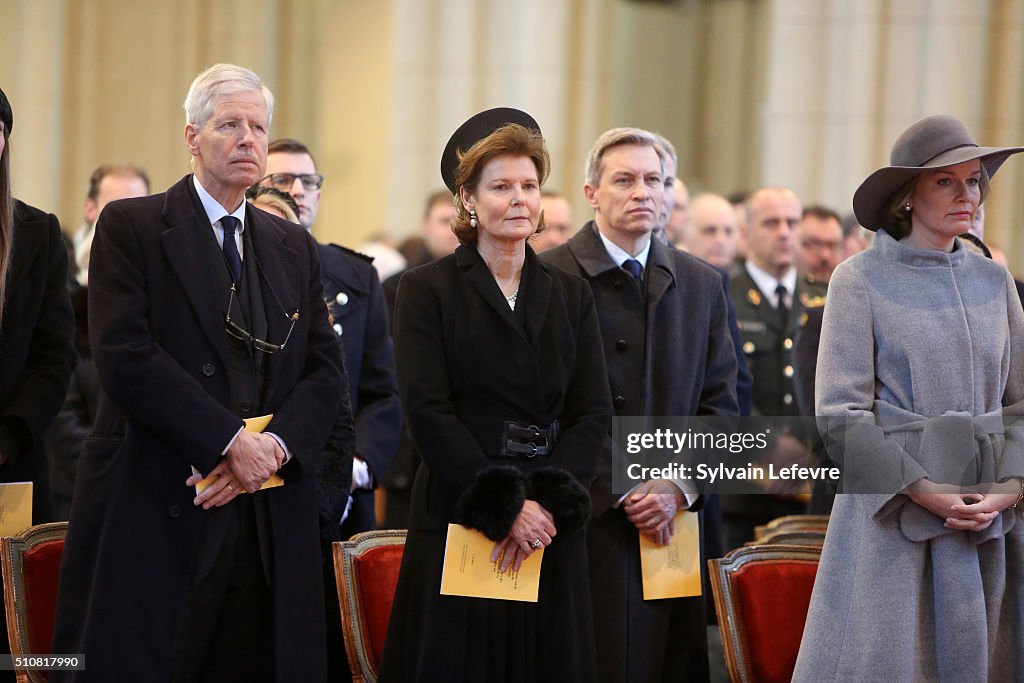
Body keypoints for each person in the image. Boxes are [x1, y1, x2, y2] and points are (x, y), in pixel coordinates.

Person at [51, 64, 347, 682]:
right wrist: (228, 442)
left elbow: (323, 372)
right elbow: (125, 356)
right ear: (192, 138)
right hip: (162, 495)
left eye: (259, 127)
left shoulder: (292, 246)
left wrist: (266, 454)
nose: (248, 140)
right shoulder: (131, 226)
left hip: (266, 512)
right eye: (230, 125)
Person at [380, 108, 611, 682]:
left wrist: (545, 504)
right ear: (468, 199)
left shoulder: (571, 294)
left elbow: (592, 412)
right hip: (465, 506)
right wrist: (505, 505)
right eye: (501, 187)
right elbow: (428, 412)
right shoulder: (426, 290)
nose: (519, 200)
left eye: (529, 186)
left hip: (548, 519)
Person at [794, 114, 1024, 681]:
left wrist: (1010, 487)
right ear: (906, 196)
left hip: (988, 523)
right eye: (946, 181)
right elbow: (841, 416)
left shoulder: (995, 280)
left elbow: (1022, 401)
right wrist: (927, 490)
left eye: (973, 181)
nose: (966, 194)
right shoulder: (858, 279)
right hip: (892, 524)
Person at [542, 127, 738, 683]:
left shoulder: (701, 283)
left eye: (655, 180)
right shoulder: (551, 276)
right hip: (580, 517)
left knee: (663, 663)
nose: (643, 192)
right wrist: (622, 483)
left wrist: (676, 485)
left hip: (671, 524)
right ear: (591, 192)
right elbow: (539, 406)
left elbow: (722, 406)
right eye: (624, 179)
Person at [258, 136, 398, 681]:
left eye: (307, 181)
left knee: (340, 649)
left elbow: (382, 390)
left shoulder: (355, 275)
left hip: (345, 500)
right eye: (281, 181)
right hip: (264, 480)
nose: (297, 191)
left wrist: (357, 466)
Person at [0, 85, 76, 680]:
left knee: (22, 636)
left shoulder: (35, 232)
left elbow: (54, 357)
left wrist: (10, 433)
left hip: (11, 462)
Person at [48, 163, 151, 520]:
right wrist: (110, 470)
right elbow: (62, 415)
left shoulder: (155, 317)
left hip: (148, 490)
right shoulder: (70, 308)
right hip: (83, 488)